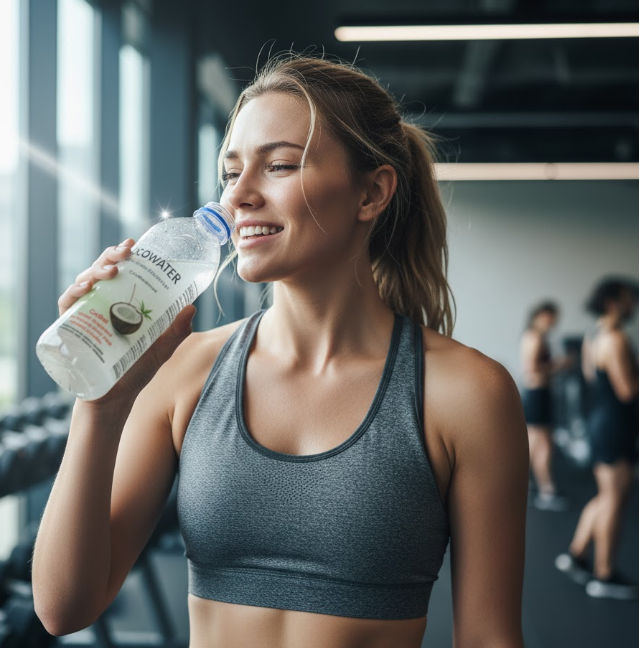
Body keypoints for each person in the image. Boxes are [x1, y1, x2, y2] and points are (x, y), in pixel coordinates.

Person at [32, 53, 528, 648]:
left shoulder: (466, 394)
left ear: (371, 192)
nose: (237, 196)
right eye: (231, 170)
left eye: (280, 166)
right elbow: (63, 608)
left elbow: (489, 639)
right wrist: (101, 405)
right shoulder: (186, 370)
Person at [555, 277, 639, 600]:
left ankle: (576, 555)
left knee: (606, 495)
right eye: (629, 299)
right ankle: (604, 575)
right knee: (615, 499)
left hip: (602, 421)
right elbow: (627, 390)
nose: (633, 305)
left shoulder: (594, 336)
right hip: (615, 425)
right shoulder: (616, 338)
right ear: (613, 302)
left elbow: (595, 379)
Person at [519, 301, 573, 511]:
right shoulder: (535, 337)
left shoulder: (533, 336)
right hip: (538, 394)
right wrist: (561, 364)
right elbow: (532, 370)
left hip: (537, 395)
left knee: (534, 444)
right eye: (549, 317)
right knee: (545, 445)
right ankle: (547, 492)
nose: (552, 322)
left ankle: (527, 485)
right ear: (539, 316)